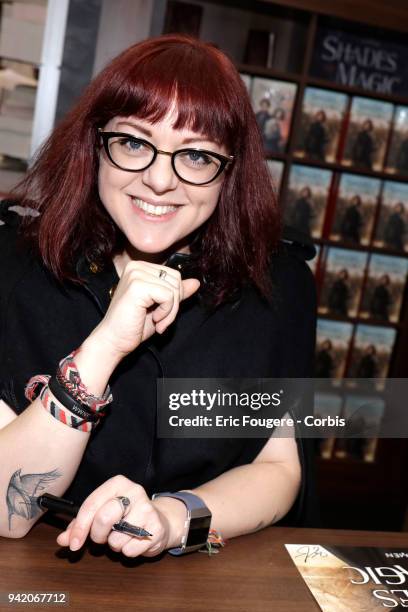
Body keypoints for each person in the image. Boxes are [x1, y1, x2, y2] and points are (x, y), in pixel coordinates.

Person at [0, 35, 316, 557]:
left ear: (229, 171)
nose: (159, 179)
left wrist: (174, 519)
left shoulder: (276, 286)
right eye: (133, 143)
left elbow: (278, 468)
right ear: (95, 146)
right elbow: (7, 513)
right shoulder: (13, 269)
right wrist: (102, 348)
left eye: (194, 155)